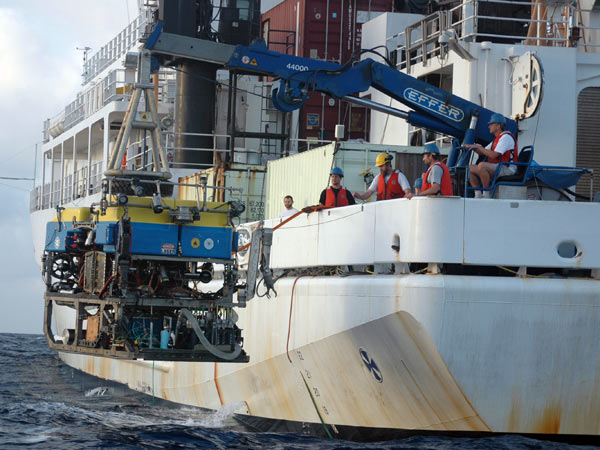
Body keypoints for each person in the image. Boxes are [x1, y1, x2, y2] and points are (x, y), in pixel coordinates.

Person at [465, 113, 518, 198]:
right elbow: (483, 151)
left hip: (507, 168)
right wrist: (472, 147)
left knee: (482, 165)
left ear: (498, 126)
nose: (489, 126)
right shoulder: (496, 139)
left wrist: (478, 147)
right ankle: (477, 194)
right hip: (498, 167)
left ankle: (486, 194)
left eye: (491, 124)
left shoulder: (506, 138)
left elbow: (494, 155)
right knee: (469, 168)